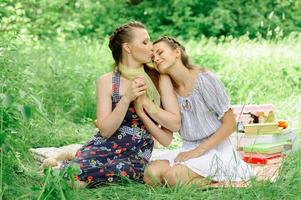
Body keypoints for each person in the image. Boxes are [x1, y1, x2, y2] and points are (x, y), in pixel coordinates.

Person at [63, 23, 181, 187]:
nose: (151, 47)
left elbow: (170, 133)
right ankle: (69, 160)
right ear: (128, 48)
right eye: (145, 42)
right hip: (105, 145)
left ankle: (70, 164)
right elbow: (105, 131)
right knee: (77, 169)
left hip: (137, 151)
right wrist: (126, 99)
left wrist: (143, 107)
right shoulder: (107, 81)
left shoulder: (159, 78)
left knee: (120, 170)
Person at [144, 36, 254, 187]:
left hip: (216, 148)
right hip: (188, 147)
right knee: (151, 174)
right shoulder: (167, 88)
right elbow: (168, 129)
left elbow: (230, 124)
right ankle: (193, 178)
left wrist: (197, 152)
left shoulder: (204, 79)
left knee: (172, 178)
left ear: (177, 52)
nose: (156, 58)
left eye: (160, 52)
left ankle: (219, 182)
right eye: (152, 57)